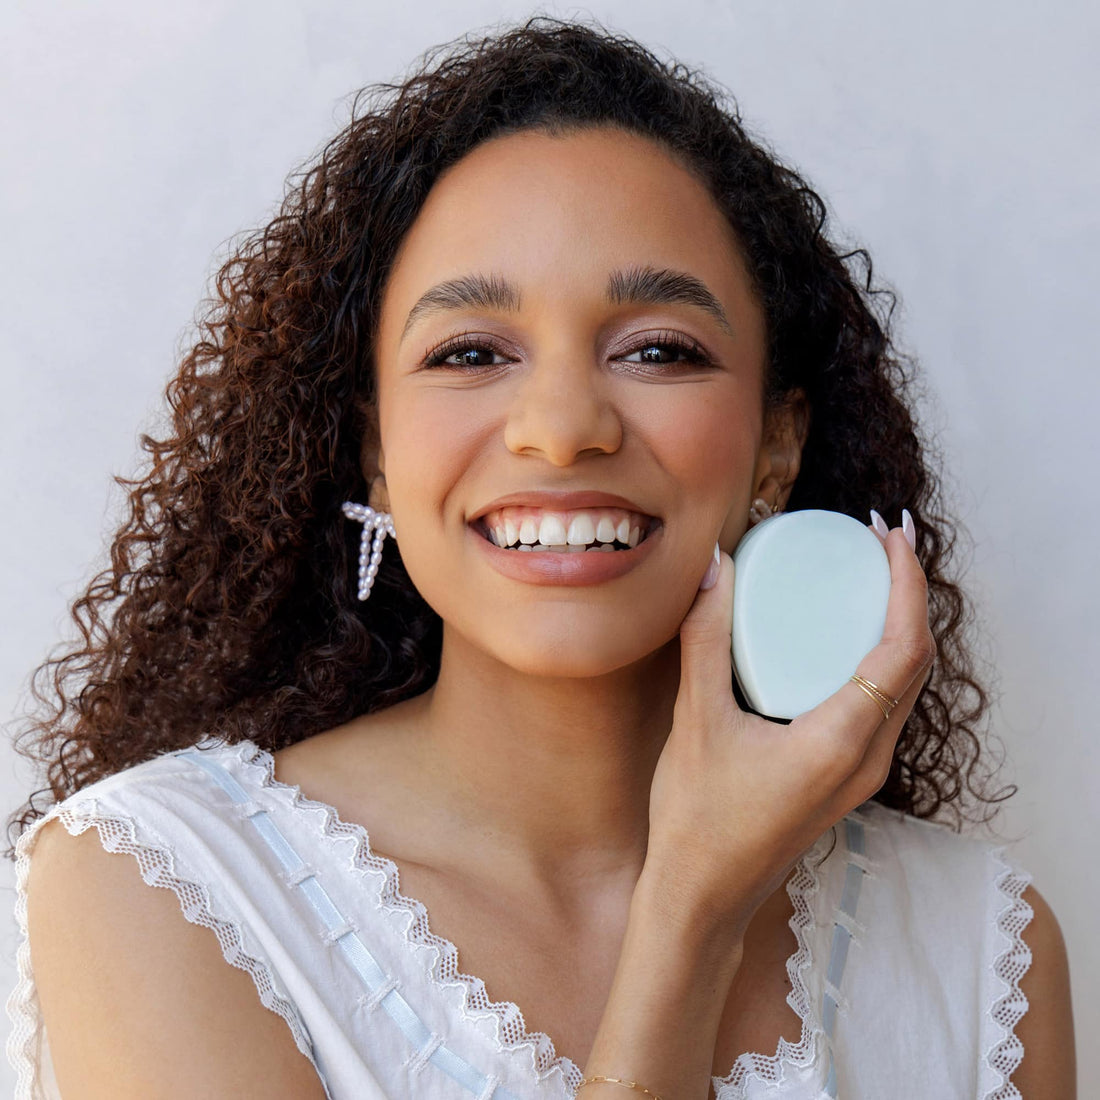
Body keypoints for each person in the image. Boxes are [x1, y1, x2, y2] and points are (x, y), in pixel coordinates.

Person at [3, 17, 1074, 1100]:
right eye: (470, 351)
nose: (561, 427)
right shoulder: (160, 887)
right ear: (376, 451)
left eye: (657, 348)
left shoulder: (978, 947)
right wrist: (688, 917)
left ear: (775, 447)